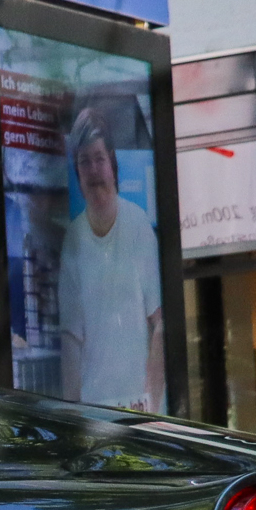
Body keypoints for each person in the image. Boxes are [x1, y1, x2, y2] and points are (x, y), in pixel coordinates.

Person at [56, 109, 165, 413]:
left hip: (139, 410)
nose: (93, 171)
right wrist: (73, 416)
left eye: (99, 159)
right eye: (85, 161)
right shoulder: (72, 241)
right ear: (77, 174)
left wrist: (151, 403)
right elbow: (71, 339)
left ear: (113, 166)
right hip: (95, 414)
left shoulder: (138, 226)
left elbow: (160, 324)